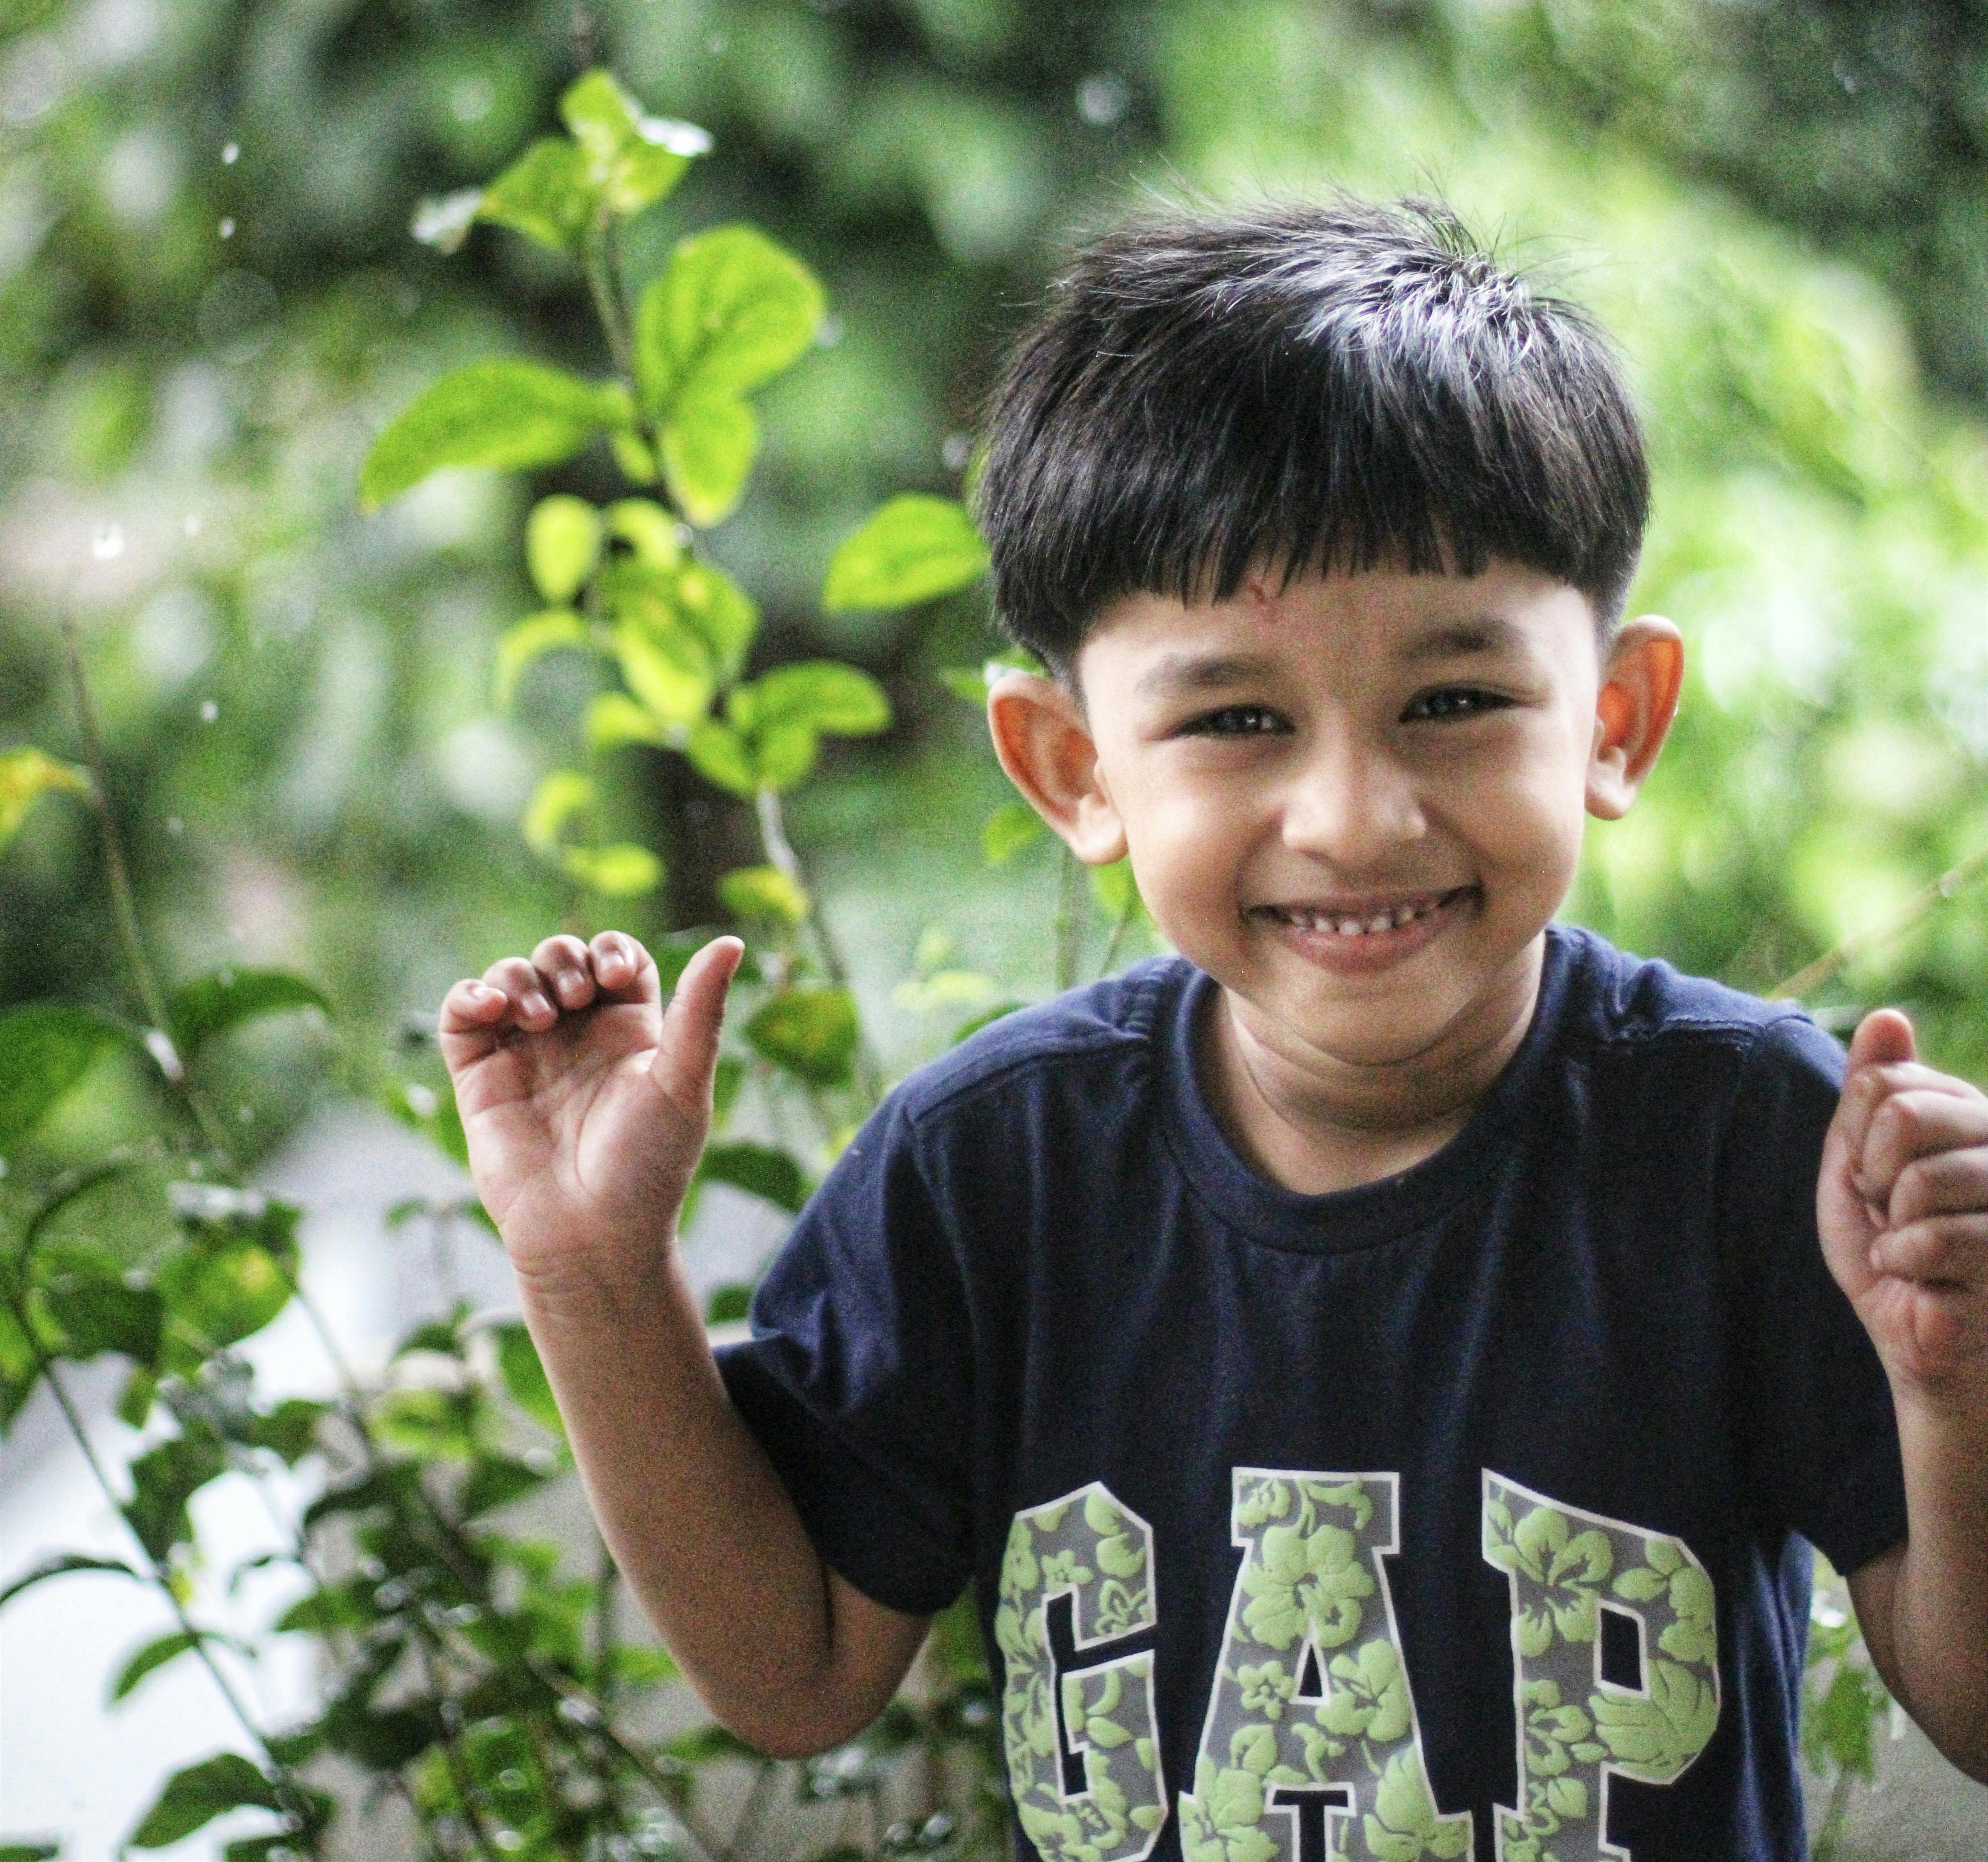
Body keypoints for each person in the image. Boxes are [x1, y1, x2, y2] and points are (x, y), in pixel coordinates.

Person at [440, 201, 1988, 1862]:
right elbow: (795, 1670)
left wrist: (1957, 1385)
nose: (1353, 815)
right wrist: (593, 1273)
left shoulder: (1754, 1143)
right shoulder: (994, 1175)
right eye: (1237, 718)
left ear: (1613, 721)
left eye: (1454, 702)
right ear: (1074, 770)